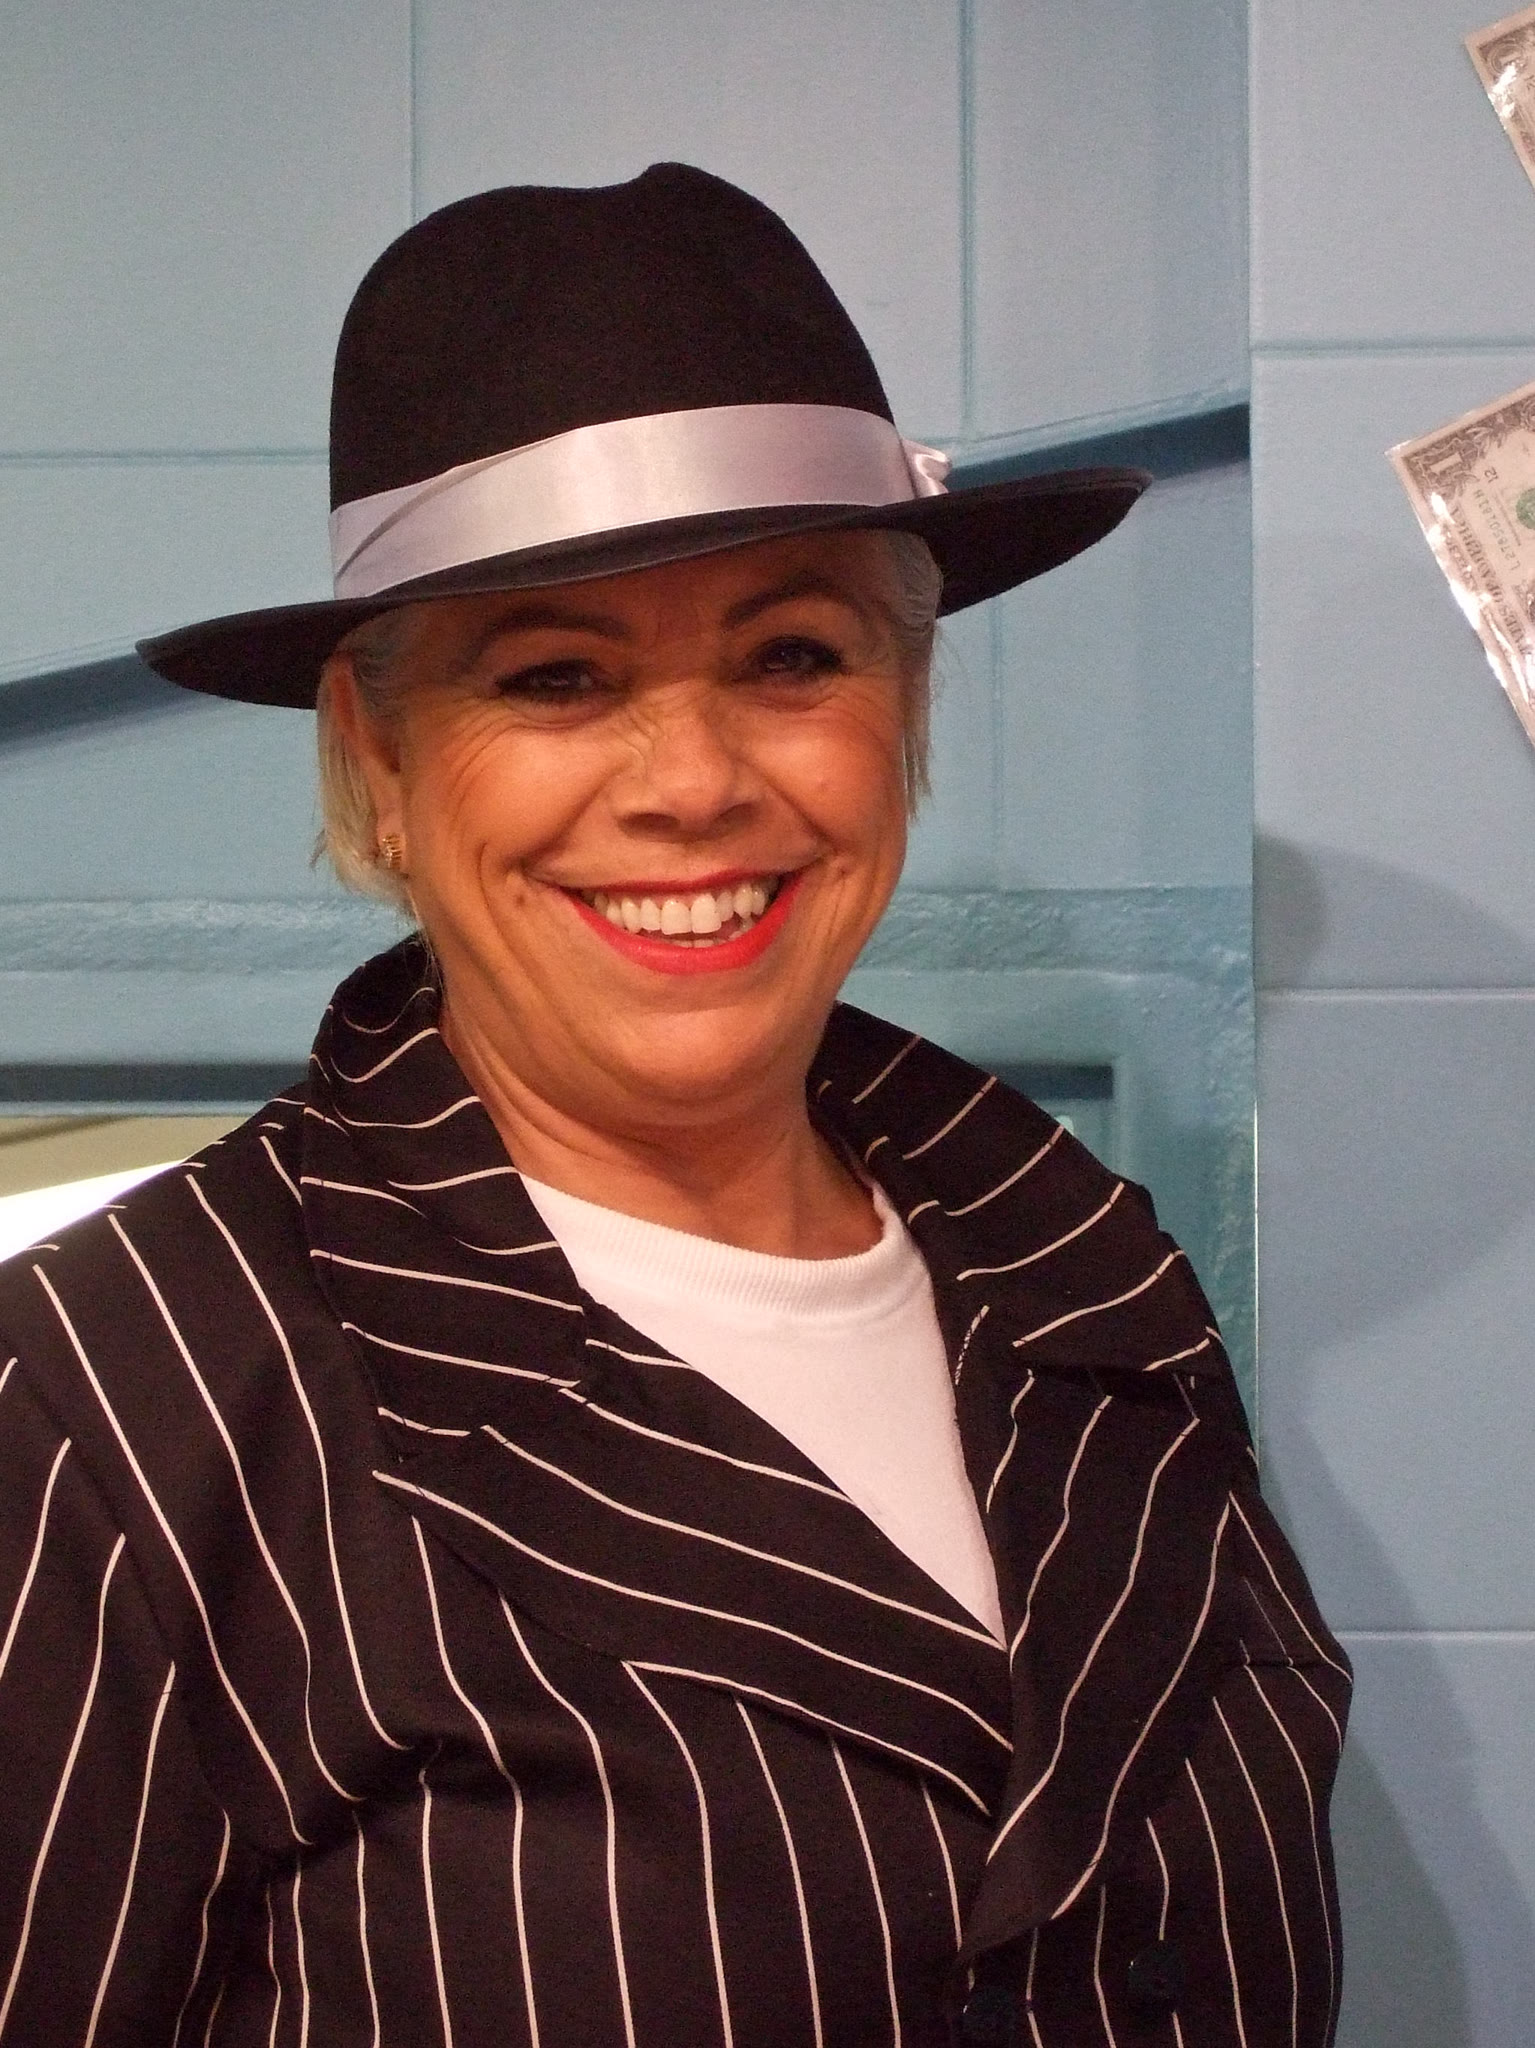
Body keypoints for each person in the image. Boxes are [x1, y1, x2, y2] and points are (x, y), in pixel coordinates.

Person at [0, 164, 1349, 2047]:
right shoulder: (116, 1409)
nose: (694, 780)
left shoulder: (1097, 1288)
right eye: (556, 676)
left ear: (905, 704)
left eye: (792, 655)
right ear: (379, 759)